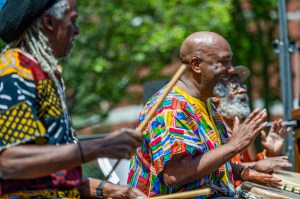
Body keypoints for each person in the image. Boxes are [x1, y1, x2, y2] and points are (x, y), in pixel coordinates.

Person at [0, 0, 146, 198]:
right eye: (73, 21)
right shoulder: (14, 70)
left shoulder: (48, 75)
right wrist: (101, 147)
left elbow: (53, 176)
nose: (76, 30)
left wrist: (109, 190)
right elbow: (10, 162)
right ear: (49, 22)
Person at [128, 31, 282, 198]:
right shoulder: (171, 108)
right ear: (196, 65)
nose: (231, 70)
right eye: (224, 62)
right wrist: (235, 145)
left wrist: (245, 172)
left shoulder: (204, 102)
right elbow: (175, 175)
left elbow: (206, 165)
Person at [211, 66, 292, 185]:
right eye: (235, 86)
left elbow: (248, 171)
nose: (242, 90)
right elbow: (214, 169)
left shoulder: (240, 129)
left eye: (242, 86)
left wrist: (269, 152)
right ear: (215, 96)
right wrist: (256, 165)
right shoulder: (210, 129)